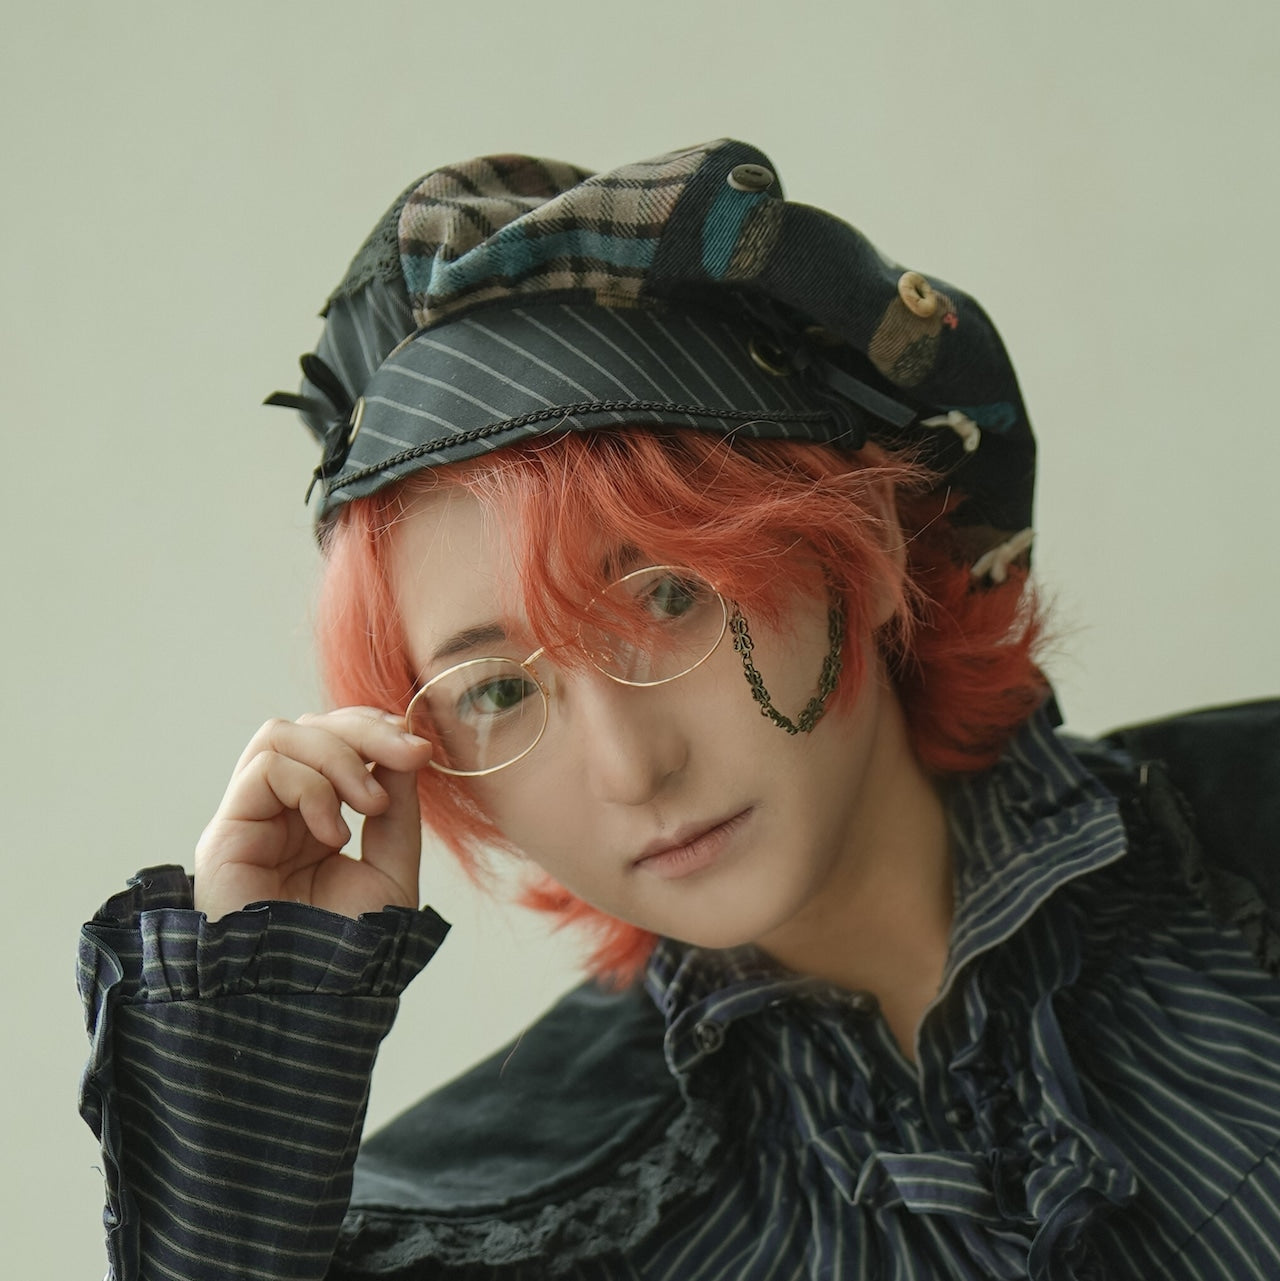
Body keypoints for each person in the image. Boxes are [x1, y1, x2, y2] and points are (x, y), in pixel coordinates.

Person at [78, 140, 1280, 1281]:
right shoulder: (514, 1220)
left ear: (861, 550)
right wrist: (252, 1092)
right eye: (499, 691)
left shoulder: (1243, 847)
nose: (628, 767)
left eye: (667, 599)